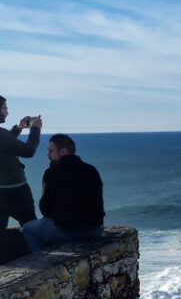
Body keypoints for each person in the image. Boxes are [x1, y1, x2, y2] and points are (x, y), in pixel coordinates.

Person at [22, 134, 105, 252]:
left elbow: (45, 208)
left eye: (51, 151)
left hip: (68, 231)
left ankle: (42, 261)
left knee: (28, 229)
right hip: (95, 229)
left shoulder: (52, 173)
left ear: (63, 151)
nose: (48, 155)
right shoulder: (91, 170)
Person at [0, 94, 41, 230]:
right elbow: (28, 151)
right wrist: (35, 129)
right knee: (31, 228)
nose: (7, 112)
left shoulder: (3, 135)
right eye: (4, 108)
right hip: (16, 191)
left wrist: (18, 128)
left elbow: (6, 143)